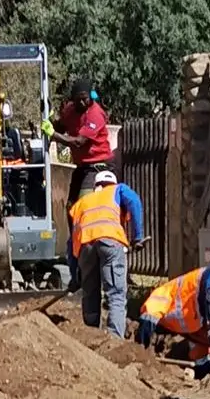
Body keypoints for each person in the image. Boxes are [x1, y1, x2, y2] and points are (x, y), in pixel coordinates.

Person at [135, 265, 210, 399]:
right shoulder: (191, 324)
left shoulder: (160, 295)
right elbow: (202, 348)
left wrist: (139, 349)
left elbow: (147, 317)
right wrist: (203, 370)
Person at [50, 77, 113, 290]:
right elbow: (60, 124)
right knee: (70, 210)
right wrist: (50, 122)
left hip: (98, 166)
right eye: (79, 100)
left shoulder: (95, 114)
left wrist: (54, 135)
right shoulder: (70, 110)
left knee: (83, 209)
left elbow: (78, 141)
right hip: (80, 167)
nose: (83, 103)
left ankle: (88, 251)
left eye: (86, 99)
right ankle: (76, 253)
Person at [67, 167, 144, 337]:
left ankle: (90, 336)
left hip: (85, 247)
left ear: (96, 186)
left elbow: (71, 240)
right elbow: (135, 202)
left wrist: (74, 276)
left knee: (90, 293)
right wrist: (137, 237)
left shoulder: (82, 203)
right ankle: (114, 341)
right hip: (109, 242)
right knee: (116, 294)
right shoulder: (118, 190)